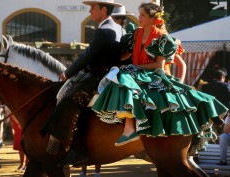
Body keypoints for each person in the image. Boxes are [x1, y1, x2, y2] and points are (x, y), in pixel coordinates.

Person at [92, 2, 228, 147]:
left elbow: (160, 66)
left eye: (142, 15)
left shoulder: (162, 39)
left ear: (152, 18)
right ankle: (129, 126)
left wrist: (133, 66)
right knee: (119, 75)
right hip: (137, 71)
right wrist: (107, 53)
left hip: (153, 74)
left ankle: (130, 128)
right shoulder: (137, 33)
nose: (139, 17)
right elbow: (125, 55)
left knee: (124, 77)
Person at [40, 0, 124, 166]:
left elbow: (88, 56)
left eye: (93, 7)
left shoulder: (104, 30)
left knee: (69, 100)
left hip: (99, 75)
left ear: (104, 9)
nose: (89, 11)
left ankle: (76, 149)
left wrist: (67, 73)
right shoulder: (119, 28)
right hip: (110, 73)